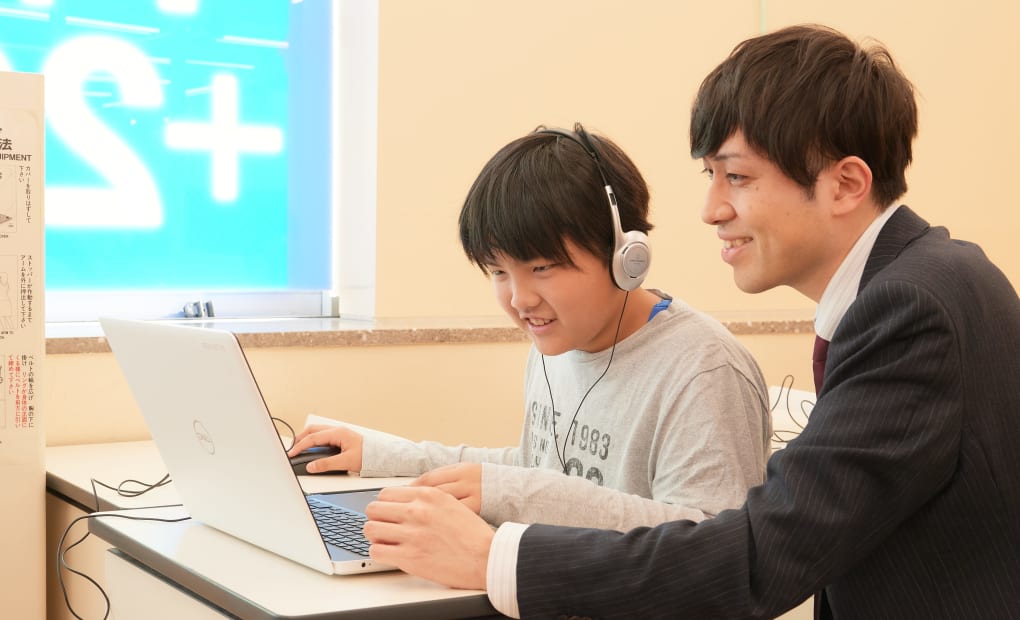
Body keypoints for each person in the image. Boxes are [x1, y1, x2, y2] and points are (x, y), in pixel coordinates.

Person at [360, 24, 1020, 619]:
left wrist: (495, 560)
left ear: (845, 184)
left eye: (735, 177)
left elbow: (760, 554)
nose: (709, 209)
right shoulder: (916, 285)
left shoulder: (913, 310)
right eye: (710, 175)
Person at [289, 124, 771, 532]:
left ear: (627, 256)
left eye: (542, 268)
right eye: (499, 272)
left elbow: (710, 547)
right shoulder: (555, 342)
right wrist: (381, 454)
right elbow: (541, 470)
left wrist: (513, 494)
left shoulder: (704, 372)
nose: (520, 300)